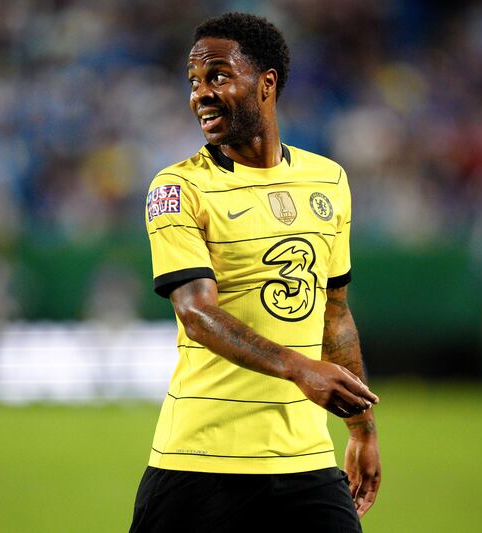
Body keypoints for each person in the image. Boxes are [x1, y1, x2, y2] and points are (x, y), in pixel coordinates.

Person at [131, 12, 380, 533]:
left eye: (218, 76)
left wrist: (361, 429)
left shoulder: (328, 181)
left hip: (307, 462)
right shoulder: (177, 188)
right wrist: (300, 369)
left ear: (266, 83)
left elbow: (335, 314)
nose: (201, 93)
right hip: (199, 461)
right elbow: (197, 313)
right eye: (194, 82)